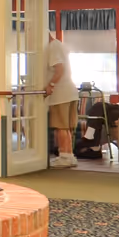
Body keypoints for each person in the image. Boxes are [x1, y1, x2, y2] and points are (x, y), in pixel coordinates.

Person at [45, 30, 78, 167]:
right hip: (69, 91)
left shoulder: (53, 46)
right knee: (66, 127)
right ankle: (68, 155)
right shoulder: (59, 44)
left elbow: (59, 69)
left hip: (61, 93)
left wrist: (50, 84)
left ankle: (64, 156)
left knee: (61, 126)